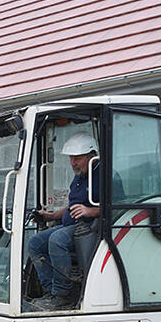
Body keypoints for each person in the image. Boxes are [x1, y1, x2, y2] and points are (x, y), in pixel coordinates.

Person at [26, 132, 121, 310]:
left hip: (90, 229)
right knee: (35, 242)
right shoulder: (80, 176)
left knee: (57, 240)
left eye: (77, 158)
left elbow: (118, 206)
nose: (73, 163)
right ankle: (50, 292)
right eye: (71, 158)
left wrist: (91, 210)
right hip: (71, 224)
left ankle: (63, 296)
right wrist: (53, 215)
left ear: (92, 156)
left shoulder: (106, 175)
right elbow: (73, 205)